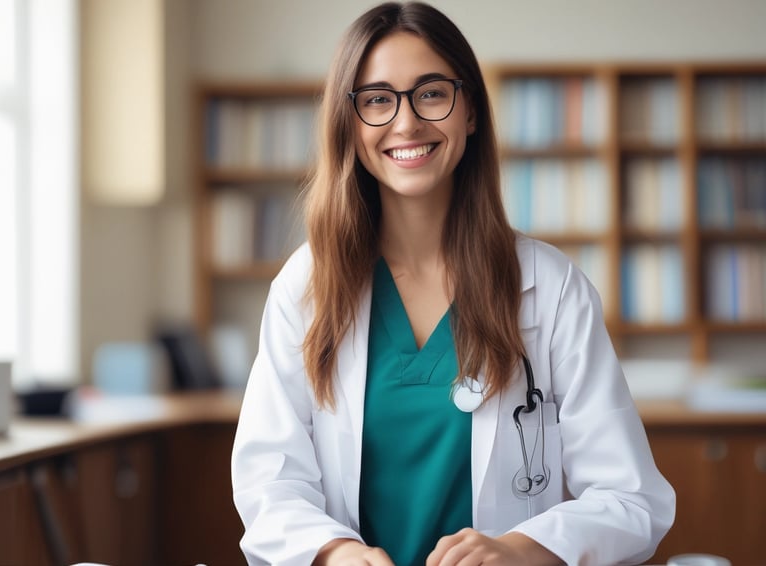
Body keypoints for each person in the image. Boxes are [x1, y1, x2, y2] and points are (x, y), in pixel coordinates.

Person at [231, 2, 675, 565]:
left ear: (469, 111)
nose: (406, 122)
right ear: (349, 123)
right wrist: (335, 552)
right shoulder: (307, 285)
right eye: (376, 100)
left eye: (432, 93)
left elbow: (633, 498)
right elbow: (267, 482)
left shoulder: (551, 288)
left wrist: (519, 549)